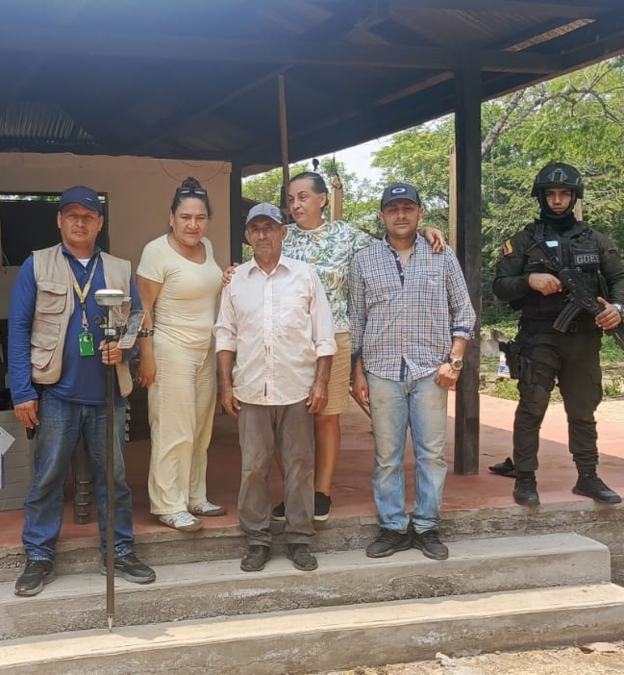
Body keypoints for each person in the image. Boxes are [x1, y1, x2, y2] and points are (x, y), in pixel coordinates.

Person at [271, 172, 445, 523]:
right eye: (291, 199)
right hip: (288, 340)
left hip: (333, 338)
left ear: (322, 200)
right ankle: (295, 490)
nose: (296, 205)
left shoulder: (346, 237)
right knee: (288, 421)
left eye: (304, 197)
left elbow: (390, 245)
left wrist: (425, 233)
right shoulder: (282, 240)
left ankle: (320, 492)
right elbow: (255, 270)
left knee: (326, 416)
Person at [8, 185, 156, 597]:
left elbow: (136, 320)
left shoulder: (119, 268)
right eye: (71, 215)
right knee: (48, 477)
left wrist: (123, 349)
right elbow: (18, 330)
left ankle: (120, 551)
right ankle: (39, 556)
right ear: (59, 220)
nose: (79, 221)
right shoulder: (36, 265)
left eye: (88, 216)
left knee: (115, 479)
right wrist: (22, 392)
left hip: (109, 394)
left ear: (99, 223)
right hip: (55, 392)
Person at [349, 183, 474, 562]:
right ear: (382, 216)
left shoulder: (441, 255)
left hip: (431, 371)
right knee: (387, 455)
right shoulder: (364, 261)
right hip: (382, 369)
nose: (400, 215)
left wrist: (455, 361)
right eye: (393, 209)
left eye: (408, 208)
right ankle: (392, 527)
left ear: (420, 213)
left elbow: (464, 312)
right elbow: (357, 320)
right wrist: (356, 373)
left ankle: (425, 526)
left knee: (431, 454)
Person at [492, 162, 624, 506]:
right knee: (532, 408)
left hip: (584, 339)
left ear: (574, 197)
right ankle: (524, 478)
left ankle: (588, 477)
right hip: (539, 338)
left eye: (564, 194)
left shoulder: (596, 240)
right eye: (550, 194)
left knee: (583, 411)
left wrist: (617, 308)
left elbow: (620, 279)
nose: (557, 201)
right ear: (541, 197)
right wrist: (528, 281)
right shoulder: (522, 242)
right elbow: (500, 287)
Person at [215, 203, 335, 573]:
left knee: (300, 465)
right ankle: (257, 539)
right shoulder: (236, 280)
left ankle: (300, 538)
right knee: (254, 468)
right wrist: (225, 384)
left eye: (270, 227)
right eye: (256, 229)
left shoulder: (305, 275)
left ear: (284, 232)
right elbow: (225, 335)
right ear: (248, 236)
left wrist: (321, 382)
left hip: (297, 388)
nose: (263, 234)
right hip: (251, 389)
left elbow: (324, 336)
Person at [135, 177, 226, 532]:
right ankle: (167, 504)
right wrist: (147, 356)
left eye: (200, 217)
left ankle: (193, 495)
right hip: (170, 348)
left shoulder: (208, 248)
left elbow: (210, 286)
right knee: (174, 430)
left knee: (201, 430)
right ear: (171, 217)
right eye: (185, 217)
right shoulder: (156, 251)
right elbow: (144, 309)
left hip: (205, 349)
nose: (193, 224)